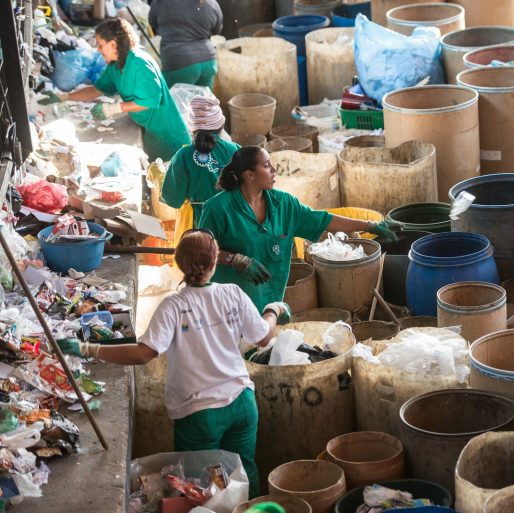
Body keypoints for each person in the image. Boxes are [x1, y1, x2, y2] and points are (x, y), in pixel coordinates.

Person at [58, 229, 292, 498]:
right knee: (244, 474)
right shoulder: (233, 294)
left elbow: (143, 353)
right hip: (241, 402)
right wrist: (273, 310)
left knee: (200, 487)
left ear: (179, 264)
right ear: (214, 261)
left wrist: (89, 348)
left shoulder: (174, 306)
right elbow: (264, 336)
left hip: (199, 414)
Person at [198, 146, 401, 312]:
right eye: (267, 166)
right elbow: (199, 251)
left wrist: (370, 225)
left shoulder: (284, 204)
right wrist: (234, 260)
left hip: (269, 303)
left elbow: (323, 220)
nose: (274, 170)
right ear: (250, 175)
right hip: (228, 306)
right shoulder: (217, 208)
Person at [39, 19, 190, 161]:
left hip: (168, 133)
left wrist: (113, 108)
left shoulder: (139, 62)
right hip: (150, 132)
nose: (98, 50)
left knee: (175, 178)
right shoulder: (115, 66)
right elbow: (96, 90)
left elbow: (149, 101)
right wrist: (64, 97)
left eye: (100, 45)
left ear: (113, 44)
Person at [162, 96, 239, 227]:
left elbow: (172, 199)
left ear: (191, 129)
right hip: (235, 222)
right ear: (221, 125)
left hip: (202, 225)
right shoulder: (236, 150)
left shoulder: (183, 156)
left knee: (206, 248)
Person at [148, 0, 223, 89]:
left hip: (179, 61)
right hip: (208, 61)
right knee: (203, 101)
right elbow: (217, 30)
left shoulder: (160, 2)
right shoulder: (211, 3)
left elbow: (152, 23)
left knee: (175, 101)